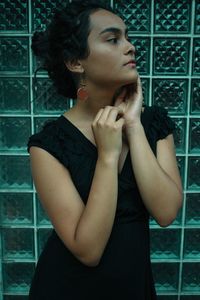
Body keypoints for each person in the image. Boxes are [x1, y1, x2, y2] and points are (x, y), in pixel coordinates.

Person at [27, 1, 183, 299]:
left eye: (127, 37)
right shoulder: (48, 145)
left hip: (133, 286)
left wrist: (134, 126)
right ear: (75, 62)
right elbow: (88, 251)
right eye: (113, 39)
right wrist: (108, 156)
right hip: (67, 288)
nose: (130, 47)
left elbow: (165, 213)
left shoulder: (153, 123)